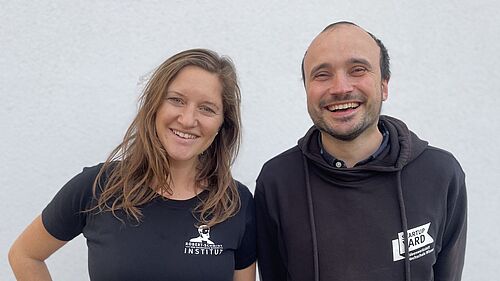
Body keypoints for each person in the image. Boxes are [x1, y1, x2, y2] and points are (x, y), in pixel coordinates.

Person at [9, 49, 256, 281]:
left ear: (223, 124)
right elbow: (25, 255)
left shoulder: (235, 203)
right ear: (154, 106)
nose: (188, 119)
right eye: (177, 100)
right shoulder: (99, 186)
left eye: (207, 108)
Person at [255, 21, 466, 281]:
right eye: (322, 74)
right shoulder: (277, 181)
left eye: (357, 70)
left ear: (384, 85)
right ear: (307, 90)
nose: (341, 88)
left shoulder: (440, 174)